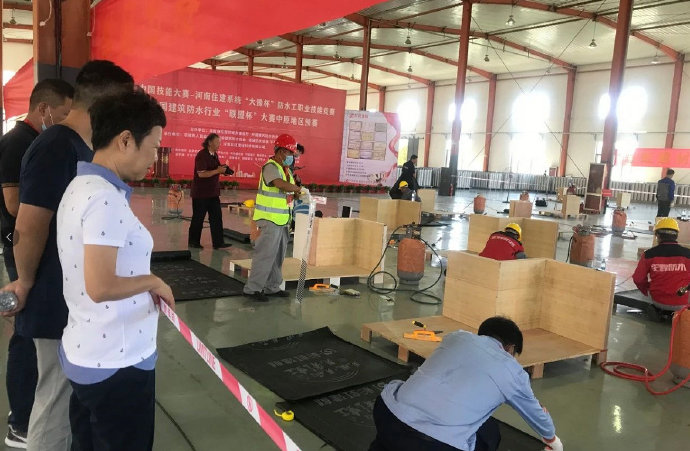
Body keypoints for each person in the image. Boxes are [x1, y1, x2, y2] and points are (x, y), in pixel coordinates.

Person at [1, 60, 134, 451]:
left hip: (71, 294)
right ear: (106, 103)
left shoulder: (80, 147)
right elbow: (29, 224)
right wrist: (26, 282)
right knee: (56, 400)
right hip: (51, 294)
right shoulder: (56, 146)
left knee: (70, 398)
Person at [56, 89, 174, 451]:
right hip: (117, 363)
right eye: (153, 147)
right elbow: (101, 285)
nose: (154, 158)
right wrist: (153, 281)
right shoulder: (104, 199)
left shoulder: (80, 185)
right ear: (125, 140)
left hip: (89, 349)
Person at [0, 79, 74, 448]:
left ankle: (26, 414)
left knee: (34, 338)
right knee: (28, 337)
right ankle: (21, 420)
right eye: (63, 114)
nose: (65, 122)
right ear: (44, 109)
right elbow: (18, 208)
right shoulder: (22, 142)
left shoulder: (37, 141)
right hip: (24, 252)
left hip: (35, 252)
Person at [370, 316, 562, 451]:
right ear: (510, 348)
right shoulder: (513, 372)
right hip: (433, 445)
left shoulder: (456, 337)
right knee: (489, 432)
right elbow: (537, 417)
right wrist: (553, 441)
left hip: (386, 416)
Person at [243, 134, 303, 302]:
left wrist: (298, 194)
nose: (291, 157)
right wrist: (298, 189)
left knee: (277, 256)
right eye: (290, 153)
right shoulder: (270, 167)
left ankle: (272, 287)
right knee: (264, 255)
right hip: (269, 219)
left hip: (282, 220)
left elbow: (288, 192)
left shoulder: (286, 170)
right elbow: (279, 184)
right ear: (281, 151)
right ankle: (252, 289)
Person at [633, 218, 690, 318]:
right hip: (682, 303)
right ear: (676, 235)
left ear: (657, 235)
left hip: (658, 302)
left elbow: (638, 279)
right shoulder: (688, 254)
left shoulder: (648, 254)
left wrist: (648, 289)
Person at [188, 133, 233, 249]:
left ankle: (218, 243)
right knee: (198, 218)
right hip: (201, 193)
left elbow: (215, 169)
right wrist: (218, 171)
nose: (219, 144)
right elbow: (201, 174)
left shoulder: (215, 155)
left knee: (216, 218)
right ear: (209, 142)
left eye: (220, 142)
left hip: (213, 193)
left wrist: (224, 170)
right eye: (217, 142)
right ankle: (193, 242)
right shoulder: (202, 155)